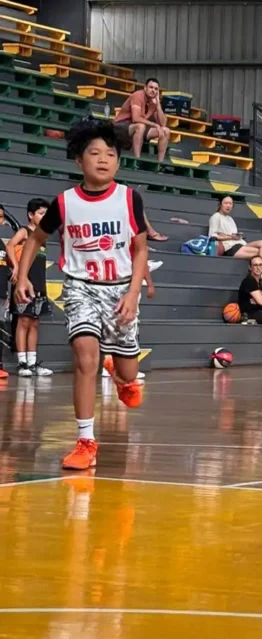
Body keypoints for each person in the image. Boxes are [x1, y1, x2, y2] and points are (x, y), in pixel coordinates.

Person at [14, 119, 150, 470]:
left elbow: (140, 249)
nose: (103, 159)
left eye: (110, 153)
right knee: (84, 359)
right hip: (81, 288)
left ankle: (122, 375)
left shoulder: (129, 199)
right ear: (79, 160)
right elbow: (36, 238)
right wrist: (21, 276)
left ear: (118, 161)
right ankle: (86, 442)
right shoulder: (64, 202)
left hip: (120, 290)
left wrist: (134, 292)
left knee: (130, 376)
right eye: (94, 153)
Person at [4, 198, 53, 377]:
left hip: (39, 284)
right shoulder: (25, 232)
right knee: (23, 322)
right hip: (25, 283)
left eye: (47, 214)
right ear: (31, 215)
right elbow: (9, 245)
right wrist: (16, 268)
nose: (44, 217)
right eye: (41, 214)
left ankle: (32, 363)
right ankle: (22, 362)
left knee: (34, 322)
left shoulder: (42, 236)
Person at [208, 196, 262, 292]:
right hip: (230, 248)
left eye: (230, 203)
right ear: (220, 205)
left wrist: (237, 236)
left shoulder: (230, 219)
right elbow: (212, 235)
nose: (228, 205)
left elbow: (232, 235)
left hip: (239, 243)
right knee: (261, 253)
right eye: (226, 203)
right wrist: (231, 237)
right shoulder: (215, 217)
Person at [114, 77, 170, 162]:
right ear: (145, 88)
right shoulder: (138, 95)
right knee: (140, 126)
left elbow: (163, 123)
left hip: (137, 127)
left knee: (166, 131)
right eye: (151, 87)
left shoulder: (154, 102)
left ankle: (160, 163)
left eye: (156, 89)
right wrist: (154, 124)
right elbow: (136, 118)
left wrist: (158, 105)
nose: (153, 90)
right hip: (121, 126)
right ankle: (136, 160)